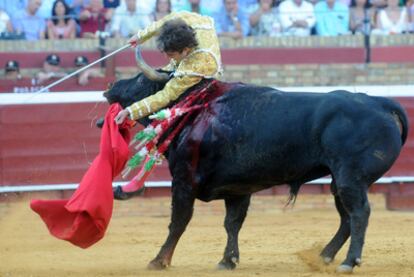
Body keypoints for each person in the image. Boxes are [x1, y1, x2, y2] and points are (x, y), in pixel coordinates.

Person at [114, 11, 222, 141]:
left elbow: (166, 95)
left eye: (171, 54)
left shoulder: (197, 64)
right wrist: (141, 36)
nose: (166, 57)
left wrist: (131, 111)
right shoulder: (187, 21)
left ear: (185, 51)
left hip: (206, 74)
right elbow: (165, 22)